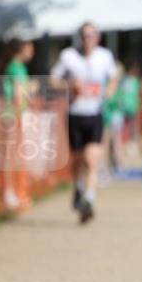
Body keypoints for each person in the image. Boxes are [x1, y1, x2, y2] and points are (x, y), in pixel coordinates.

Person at [50, 22, 118, 223]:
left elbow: (113, 78)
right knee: (78, 159)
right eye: (84, 35)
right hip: (75, 113)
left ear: (97, 37)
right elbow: (53, 80)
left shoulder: (104, 56)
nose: (87, 39)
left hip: (95, 113)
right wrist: (71, 84)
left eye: (91, 35)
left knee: (91, 158)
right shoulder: (68, 56)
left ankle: (89, 198)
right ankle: (78, 189)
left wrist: (108, 92)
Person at [1, 37, 35, 211]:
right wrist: (30, 91)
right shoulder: (16, 67)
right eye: (29, 47)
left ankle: (13, 192)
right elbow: (17, 95)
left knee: (13, 155)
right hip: (12, 115)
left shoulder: (17, 67)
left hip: (14, 114)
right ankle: (8, 194)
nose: (32, 51)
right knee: (9, 155)